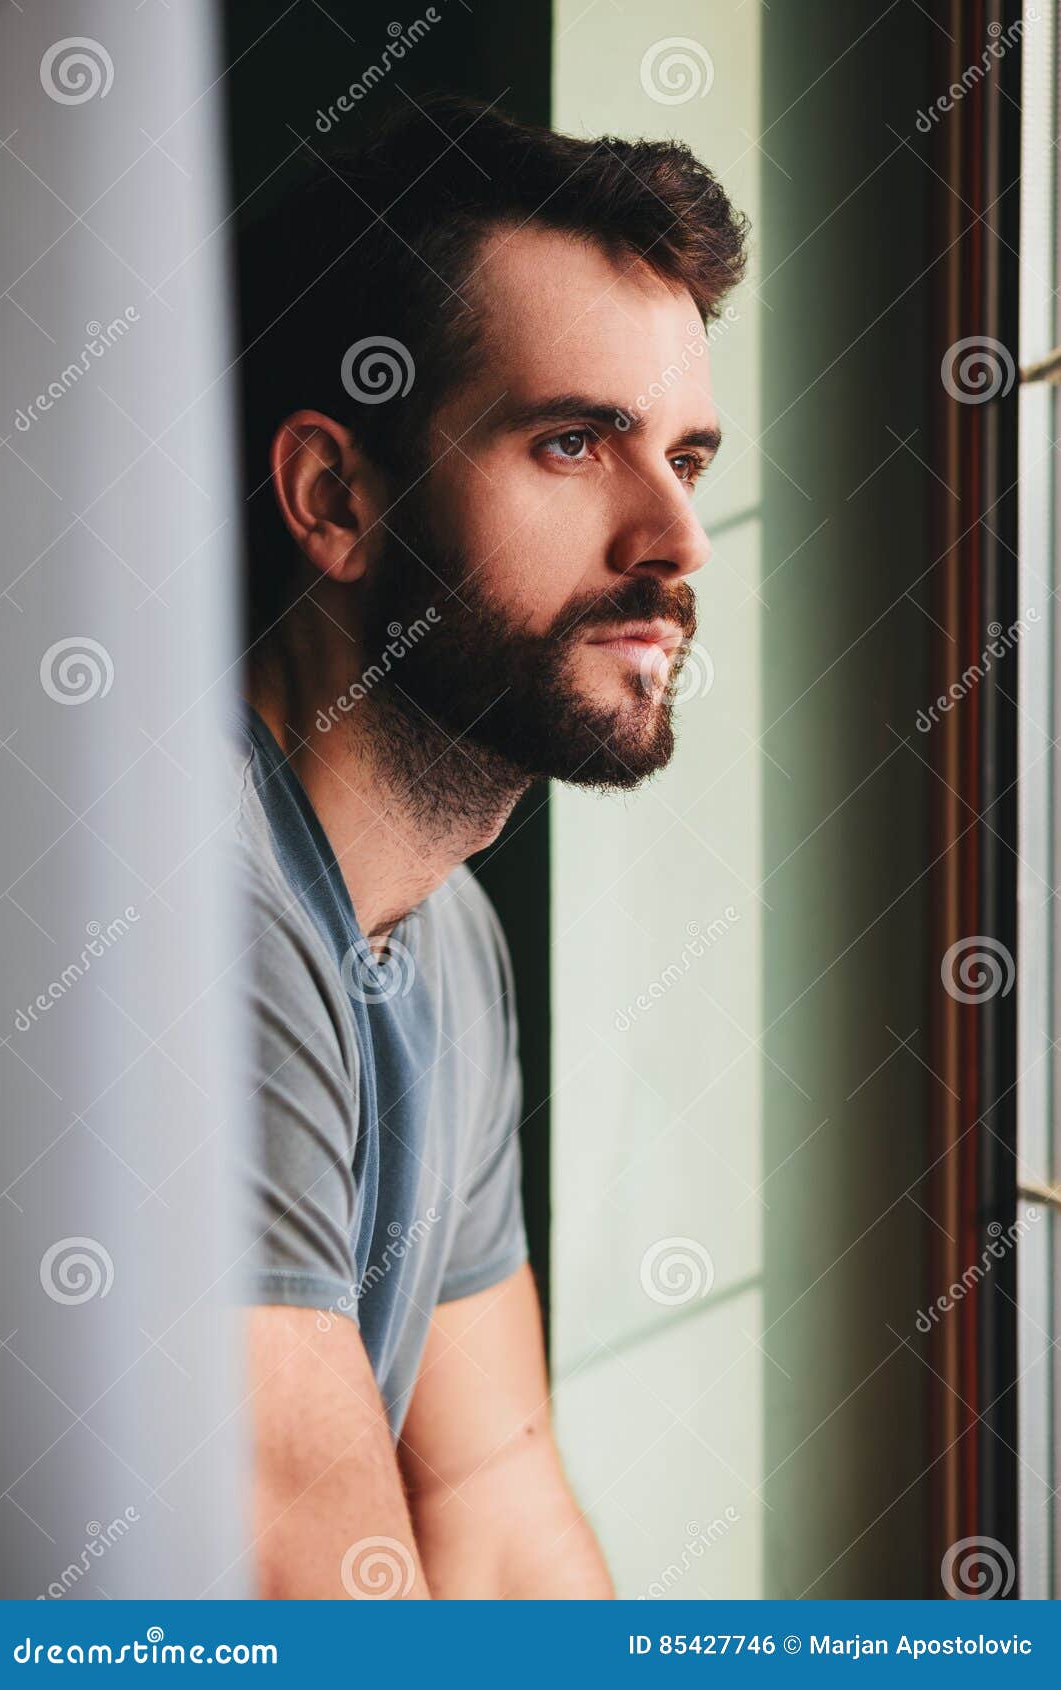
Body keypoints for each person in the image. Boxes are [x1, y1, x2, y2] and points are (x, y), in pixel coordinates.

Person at [223, 93, 748, 1599]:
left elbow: (497, 1515)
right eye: (577, 443)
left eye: (689, 458)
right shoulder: (175, 902)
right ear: (339, 496)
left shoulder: (441, 928)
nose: (678, 539)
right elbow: (314, 1599)